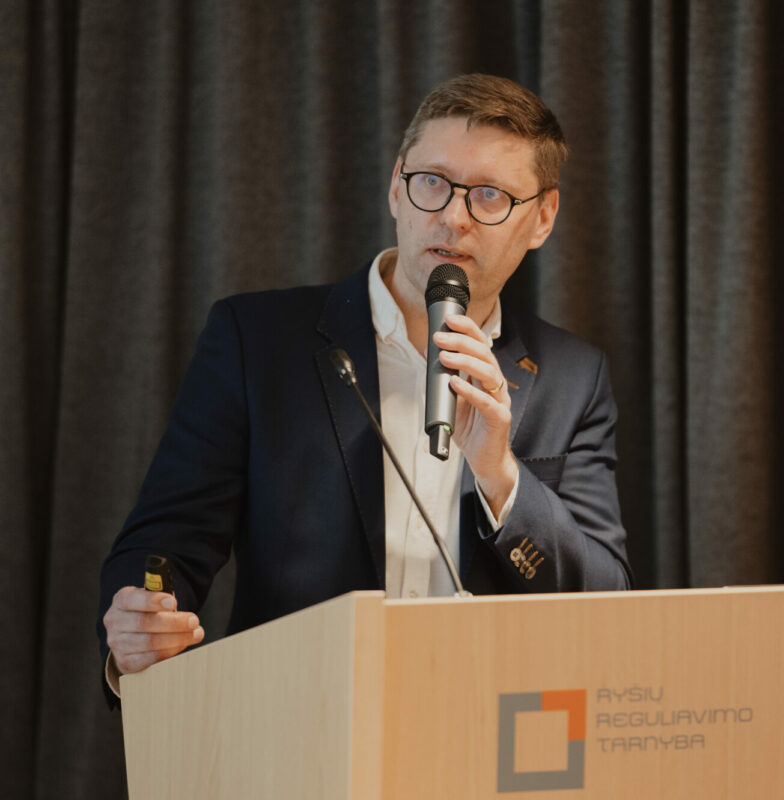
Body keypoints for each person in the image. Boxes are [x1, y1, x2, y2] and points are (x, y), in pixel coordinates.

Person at [97, 74, 631, 700]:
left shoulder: (573, 376)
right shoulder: (257, 340)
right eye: (431, 182)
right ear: (396, 187)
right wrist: (140, 625)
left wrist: (501, 477)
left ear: (542, 218)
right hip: (300, 719)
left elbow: (606, 601)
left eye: (489, 195)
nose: (452, 217)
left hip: (489, 728)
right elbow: (168, 541)